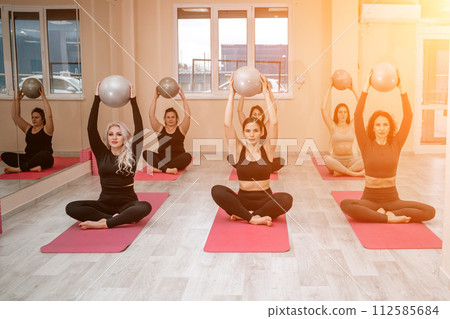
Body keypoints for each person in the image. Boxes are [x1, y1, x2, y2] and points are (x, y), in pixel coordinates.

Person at [340, 72, 435, 223]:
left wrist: (401, 88)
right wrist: (366, 88)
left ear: (390, 128)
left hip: (392, 200)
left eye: (385, 124)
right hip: (369, 200)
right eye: (378, 124)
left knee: (429, 211)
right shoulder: (365, 144)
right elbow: (358, 115)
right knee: (346, 205)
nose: (381, 128)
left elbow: (408, 116)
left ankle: (385, 214)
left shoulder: (396, 144)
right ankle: (387, 218)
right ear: (373, 128)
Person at [66, 82, 151, 229]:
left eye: (119, 134)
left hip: (128, 204)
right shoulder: (101, 153)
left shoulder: (132, 153)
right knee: (71, 207)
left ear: (125, 137)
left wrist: (133, 101)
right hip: (104, 204)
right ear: (107, 137)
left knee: (145, 207)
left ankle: (104, 224)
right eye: (111, 134)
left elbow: (139, 128)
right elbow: (91, 128)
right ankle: (114, 219)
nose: (114, 137)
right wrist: (97, 99)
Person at [211, 74, 293, 226]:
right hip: (242, 201)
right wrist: (231, 94)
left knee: (286, 199)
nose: (252, 134)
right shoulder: (238, 150)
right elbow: (227, 124)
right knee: (217, 190)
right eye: (248, 131)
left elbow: (274, 123)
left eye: (255, 130)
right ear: (243, 133)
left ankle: (247, 216)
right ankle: (253, 218)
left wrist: (266, 93)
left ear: (261, 132)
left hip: (265, 200)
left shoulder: (267, 149)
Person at [1, 86, 54, 173]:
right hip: (29, 158)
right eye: (32, 117)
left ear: (43, 119)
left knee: (45, 154)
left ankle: (19, 169)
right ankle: (31, 168)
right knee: (4, 155)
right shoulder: (28, 128)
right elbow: (16, 116)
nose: (33, 119)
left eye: (36, 117)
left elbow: (49, 116)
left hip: (44, 159)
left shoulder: (47, 130)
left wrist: (43, 97)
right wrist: (17, 99)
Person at [143, 86, 192, 174]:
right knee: (146, 153)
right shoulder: (160, 128)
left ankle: (161, 169)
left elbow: (188, 116)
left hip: (177, 159)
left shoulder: (181, 129)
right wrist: (155, 98)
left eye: (173, 117)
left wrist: (184, 99)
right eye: (168, 117)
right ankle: (167, 169)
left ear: (177, 119)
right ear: (164, 119)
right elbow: (151, 115)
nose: (170, 119)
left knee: (188, 156)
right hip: (163, 159)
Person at [321, 82, 364, 177]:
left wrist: (353, 90)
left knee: (367, 159)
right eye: (340, 112)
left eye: (345, 112)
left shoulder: (352, 125)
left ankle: (344, 171)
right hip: (336, 160)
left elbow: (361, 109)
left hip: (351, 160)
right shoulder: (332, 126)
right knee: (326, 158)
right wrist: (330, 88)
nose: (343, 114)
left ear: (348, 114)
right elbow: (323, 108)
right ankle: (352, 173)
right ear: (336, 114)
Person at [236, 93, 284, 172]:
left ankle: (260, 169)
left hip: (262, 158)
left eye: (259, 114)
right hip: (249, 157)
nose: (257, 116)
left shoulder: (266, 126)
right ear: (251, 116)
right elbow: (239, 111)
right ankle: (253, 169)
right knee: (230, 158)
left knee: (280, 161)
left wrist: (268, 91)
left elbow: (274, 110)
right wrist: (243, 93)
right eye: (254, 114)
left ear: (262, 116)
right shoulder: (247, 125)